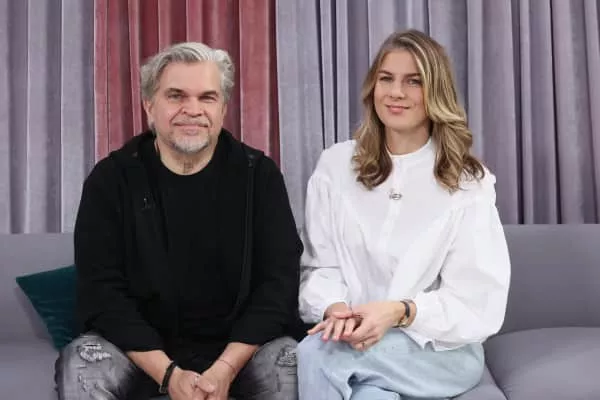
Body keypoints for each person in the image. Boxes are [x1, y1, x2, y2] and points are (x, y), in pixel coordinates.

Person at [55, 42, 303, 400]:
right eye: (176, 96)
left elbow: (278, 286)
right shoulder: (111, 179)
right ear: (149, 105)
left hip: (239, 353)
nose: (193, 110)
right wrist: (169, 374)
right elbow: (101, 293)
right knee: (81, 363)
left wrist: (224, 369)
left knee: (294, 362)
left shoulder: (259, 176)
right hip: (140, 354)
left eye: (207, 98)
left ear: (223, 108)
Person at [296, 29, 511, 400]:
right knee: (368, 395)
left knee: (316, 354)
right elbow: (320, 266)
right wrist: (337, 310)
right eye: (386, 78)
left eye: (414, 81)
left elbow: (478, 301)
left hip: (439, 353)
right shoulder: (336, 166)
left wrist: (399, 312)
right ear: (373, 87)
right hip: (354, 342)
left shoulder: (467, 184)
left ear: (436, 93)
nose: (395, 92)